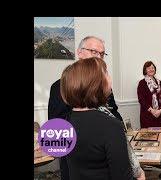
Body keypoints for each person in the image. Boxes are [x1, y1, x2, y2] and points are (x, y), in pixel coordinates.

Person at [48, 36, 123, 180]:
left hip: (108, 163)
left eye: (102, 54)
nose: (99, 57)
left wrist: (121, 132)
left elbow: (114, 112)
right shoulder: (60, 86)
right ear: (79, 53)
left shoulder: (105, 85)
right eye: (94, 52)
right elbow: (56, 134)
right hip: (75, 166)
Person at [60, 57, 133, 180]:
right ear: (95, 84)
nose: (110, 78)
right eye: (106, 73)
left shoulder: (65, 122)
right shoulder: (111, 126)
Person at [137, 61, 161, 128]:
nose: (151, 69)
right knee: (148, 137)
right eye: (148, 68)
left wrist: (160, 110)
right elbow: (141, 99)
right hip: (147, 116)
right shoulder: (142, 83)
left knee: (160, 137)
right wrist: (152, 111)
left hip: (159, 115)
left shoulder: (159, 83)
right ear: (145, 70)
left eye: (152, 68)